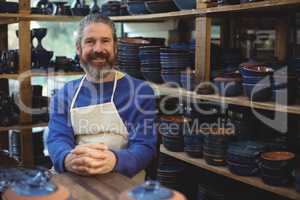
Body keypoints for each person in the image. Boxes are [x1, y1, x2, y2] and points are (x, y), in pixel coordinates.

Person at [47, 14, 157, 177]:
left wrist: (114, 160)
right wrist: (67, 159)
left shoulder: (140, 91)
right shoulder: (65, 94)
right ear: (79, 48)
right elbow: (57, 139)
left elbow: (145, 146)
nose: (98, 49)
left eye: (105, 41)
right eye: (90, 41)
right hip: (76, 175)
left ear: (115, 47)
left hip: (123, 180)